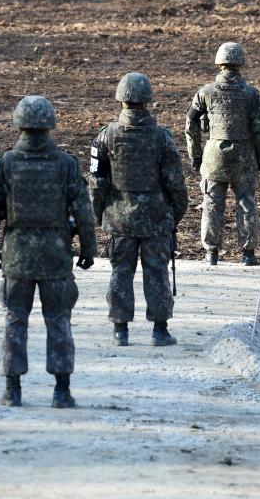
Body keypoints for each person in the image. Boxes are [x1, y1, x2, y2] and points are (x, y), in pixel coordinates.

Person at [0, 95, 97, 409]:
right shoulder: (66, 165)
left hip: (17, 257)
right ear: (50, 125)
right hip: (56, 258)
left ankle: (12, 389)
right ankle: (61, 390)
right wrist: (88, 249)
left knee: (15, 319)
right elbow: (84, 213)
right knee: (59, 320)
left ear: (19, 124)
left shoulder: (5, 165)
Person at [89, 72, 188, 348]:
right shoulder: (162, 137)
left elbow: (97, 183)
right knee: (157, 272)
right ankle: (160, 330)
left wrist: (101, 215)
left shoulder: (105, 137)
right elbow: (176, 183)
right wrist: (173, 216)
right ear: (148, 101)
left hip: (119, 219)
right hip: (156, 218)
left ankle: (120, 330)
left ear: (121, 100)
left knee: (121, 271)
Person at [186, 42, 260, 266]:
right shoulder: (251, 94)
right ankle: (248, 255)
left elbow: (190, 122)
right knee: (246, 203)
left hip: (214, 158)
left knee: (212, 203)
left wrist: (195, 156)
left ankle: (211, 253)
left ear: (219, 63)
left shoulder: (205, 92)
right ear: (240, 64)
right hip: (244, 158)